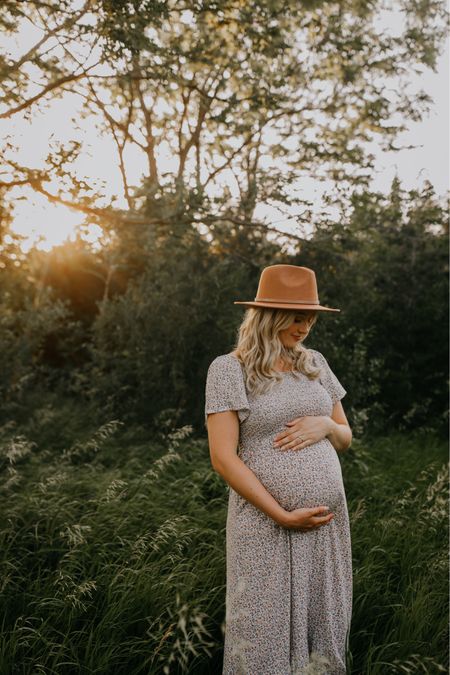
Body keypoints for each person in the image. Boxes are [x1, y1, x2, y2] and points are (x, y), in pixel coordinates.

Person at [204, 264, 353, 675]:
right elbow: (223, 457)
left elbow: (345, 435)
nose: (305, 326)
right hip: (266, 525)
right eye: (296, 316)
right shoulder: (228, 369)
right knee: (263, 636)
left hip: (326, 527)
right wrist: (282, 514)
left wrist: (326, 425)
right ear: (267, 315)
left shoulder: (315, 363)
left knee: (324, 633)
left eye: (310, 317)